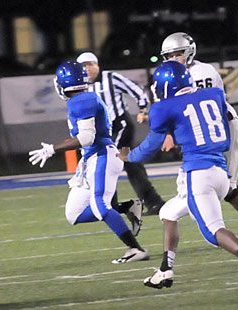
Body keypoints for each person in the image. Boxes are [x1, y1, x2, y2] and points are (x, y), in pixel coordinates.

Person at [120, 61, 238, 293]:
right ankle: (165, 270)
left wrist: (129, 157)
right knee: (168, 213)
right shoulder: (213, 94)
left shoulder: (163, 107)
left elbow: (151, 146)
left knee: (213, 232)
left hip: (199, 175)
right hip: (220, 170)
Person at [158, 32, 238, 244]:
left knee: (220, 188)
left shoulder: (202, 72)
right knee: (221, 187)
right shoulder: (166, 77)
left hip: (223, 127)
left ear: (190, 52)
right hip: (202, 135)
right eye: (170, 55)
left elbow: (205, 110)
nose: (175, 59)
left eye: (179, 54)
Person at [28, 61, 149, 263]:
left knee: (100, 205)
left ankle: (136, 249)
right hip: (93, 158)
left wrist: (53, 149)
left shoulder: (81, 101)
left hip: (103, 156)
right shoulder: (83, 98)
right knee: (73, 214)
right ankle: (126, 207)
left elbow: (87, 138)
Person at [76, 52, 165, 216]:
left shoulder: (110, 78)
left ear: (97, 65)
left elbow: (136, 89)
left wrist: (143, 109)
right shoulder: (81, 86)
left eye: (90, 64)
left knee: (109, 161)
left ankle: (110, 205)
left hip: (120, 125)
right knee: (131, 164)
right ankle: (154, 202)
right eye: (83, 66)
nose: (87, 69)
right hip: (102, 132)